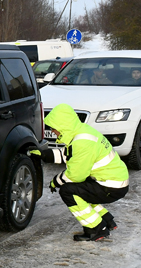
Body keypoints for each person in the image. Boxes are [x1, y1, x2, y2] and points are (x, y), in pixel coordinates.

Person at [41, 103, 129, 242]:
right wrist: (44, 155)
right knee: (82, 189)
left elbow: (75, 175)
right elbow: (71, 155)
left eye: (54, 128)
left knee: (68, 191)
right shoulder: (82, 133)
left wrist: (55, 181)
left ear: (63, 125)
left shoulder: (82, 142)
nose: (53, 131)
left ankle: (97, 229)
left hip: (111, 186)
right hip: (113, 181)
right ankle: (107, 220)